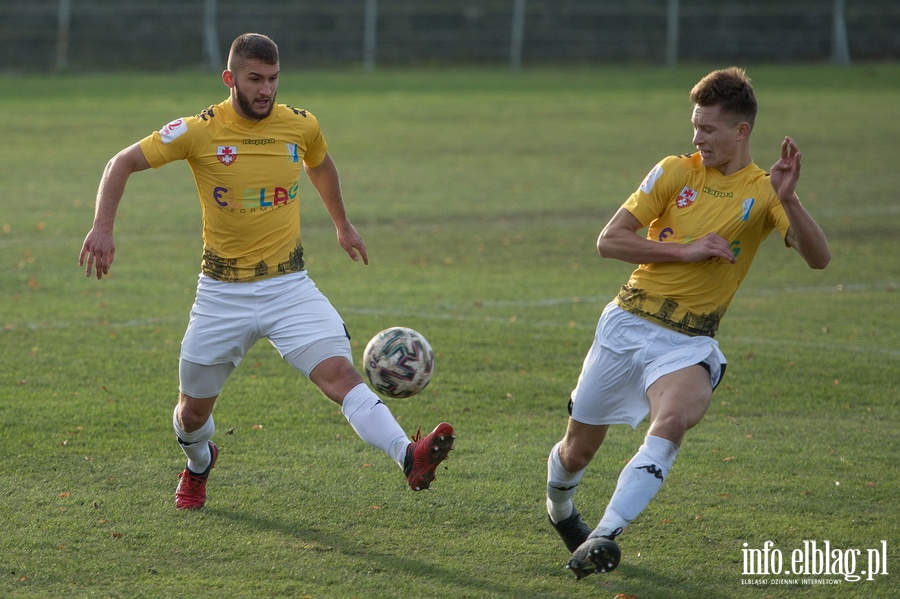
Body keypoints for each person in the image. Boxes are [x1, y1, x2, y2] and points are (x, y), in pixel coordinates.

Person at [79, 33, 455, 510]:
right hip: (220, 294)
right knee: (192, 415)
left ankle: (409, 456)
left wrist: (342, 223)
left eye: (273, 79)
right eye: (255, 79)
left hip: (289, 287)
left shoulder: (300, 125)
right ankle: (199, 465)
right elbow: (122, 162)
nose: (265, 90)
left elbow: (320, 164)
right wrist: (102, 227)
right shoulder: (199, 130)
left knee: (339, 374)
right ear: (229, 78)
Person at [545, 67, 830, 579]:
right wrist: (685, 250)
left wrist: (788, 200)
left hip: (688, 343)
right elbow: (609, 240)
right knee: (576, 451)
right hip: (627, 323)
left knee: (672, 423)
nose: (697, 138)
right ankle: (561, 510)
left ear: (741, 131)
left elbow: (819, 258)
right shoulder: (675, 171)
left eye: (709, 129)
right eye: (695, 126)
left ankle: (604, 536)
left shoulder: (764, 191)